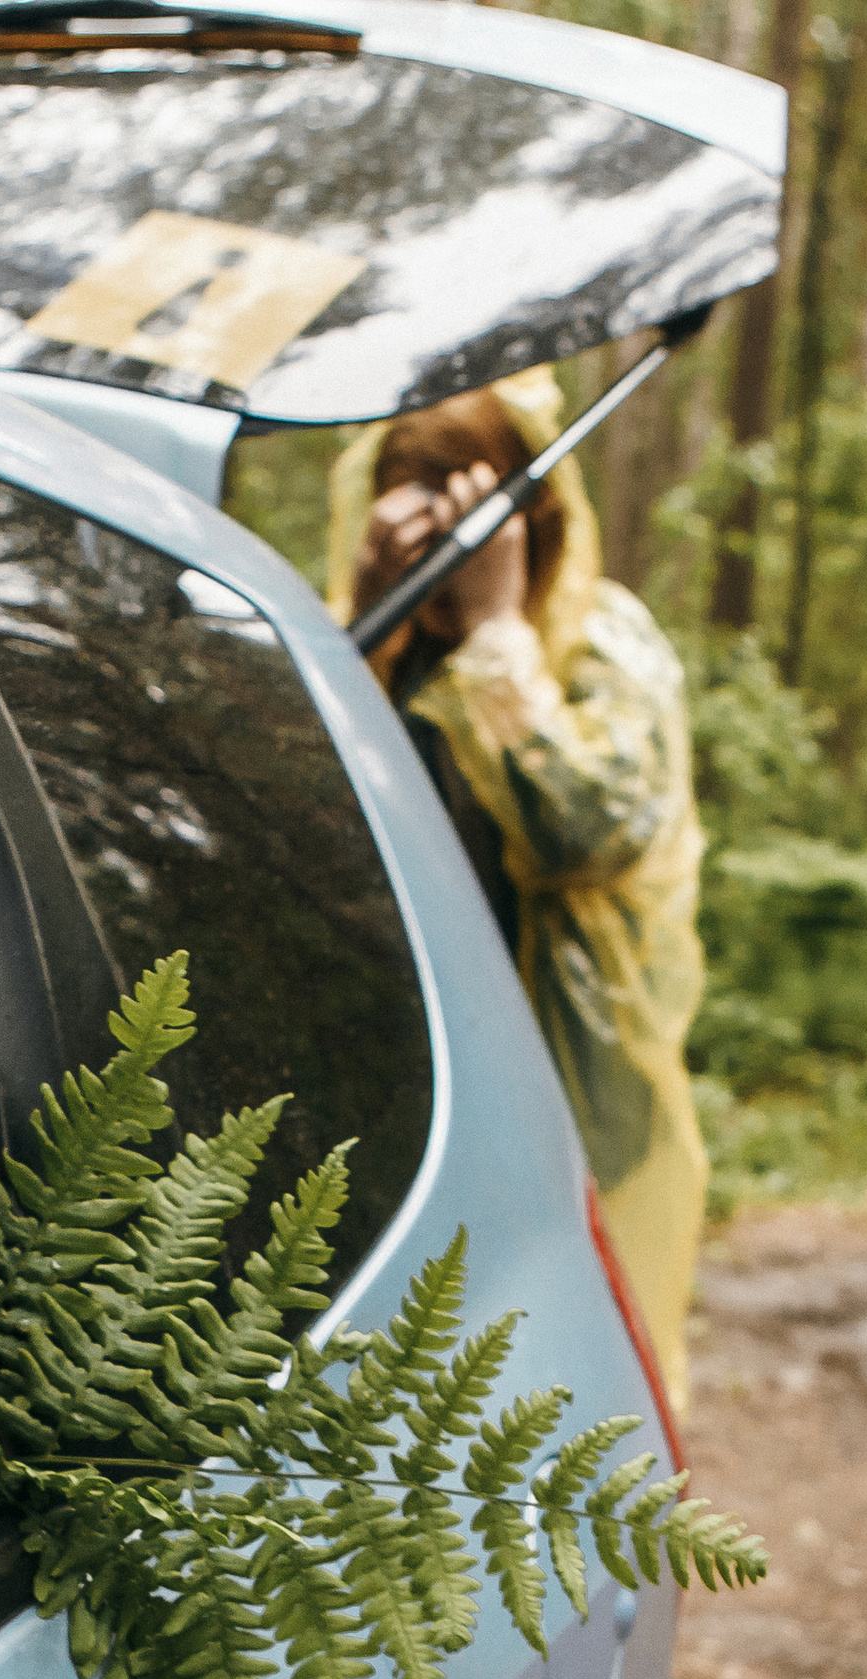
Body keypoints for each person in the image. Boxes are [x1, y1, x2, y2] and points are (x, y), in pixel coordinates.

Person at [328, 364, 708, 1411]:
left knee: (553, 1387)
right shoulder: (381, 646)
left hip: (559, 1093)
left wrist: (498, 627)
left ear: (533, 525)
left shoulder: (601, 648)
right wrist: (364, 614)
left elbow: (589, 827)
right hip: (400, 1085)